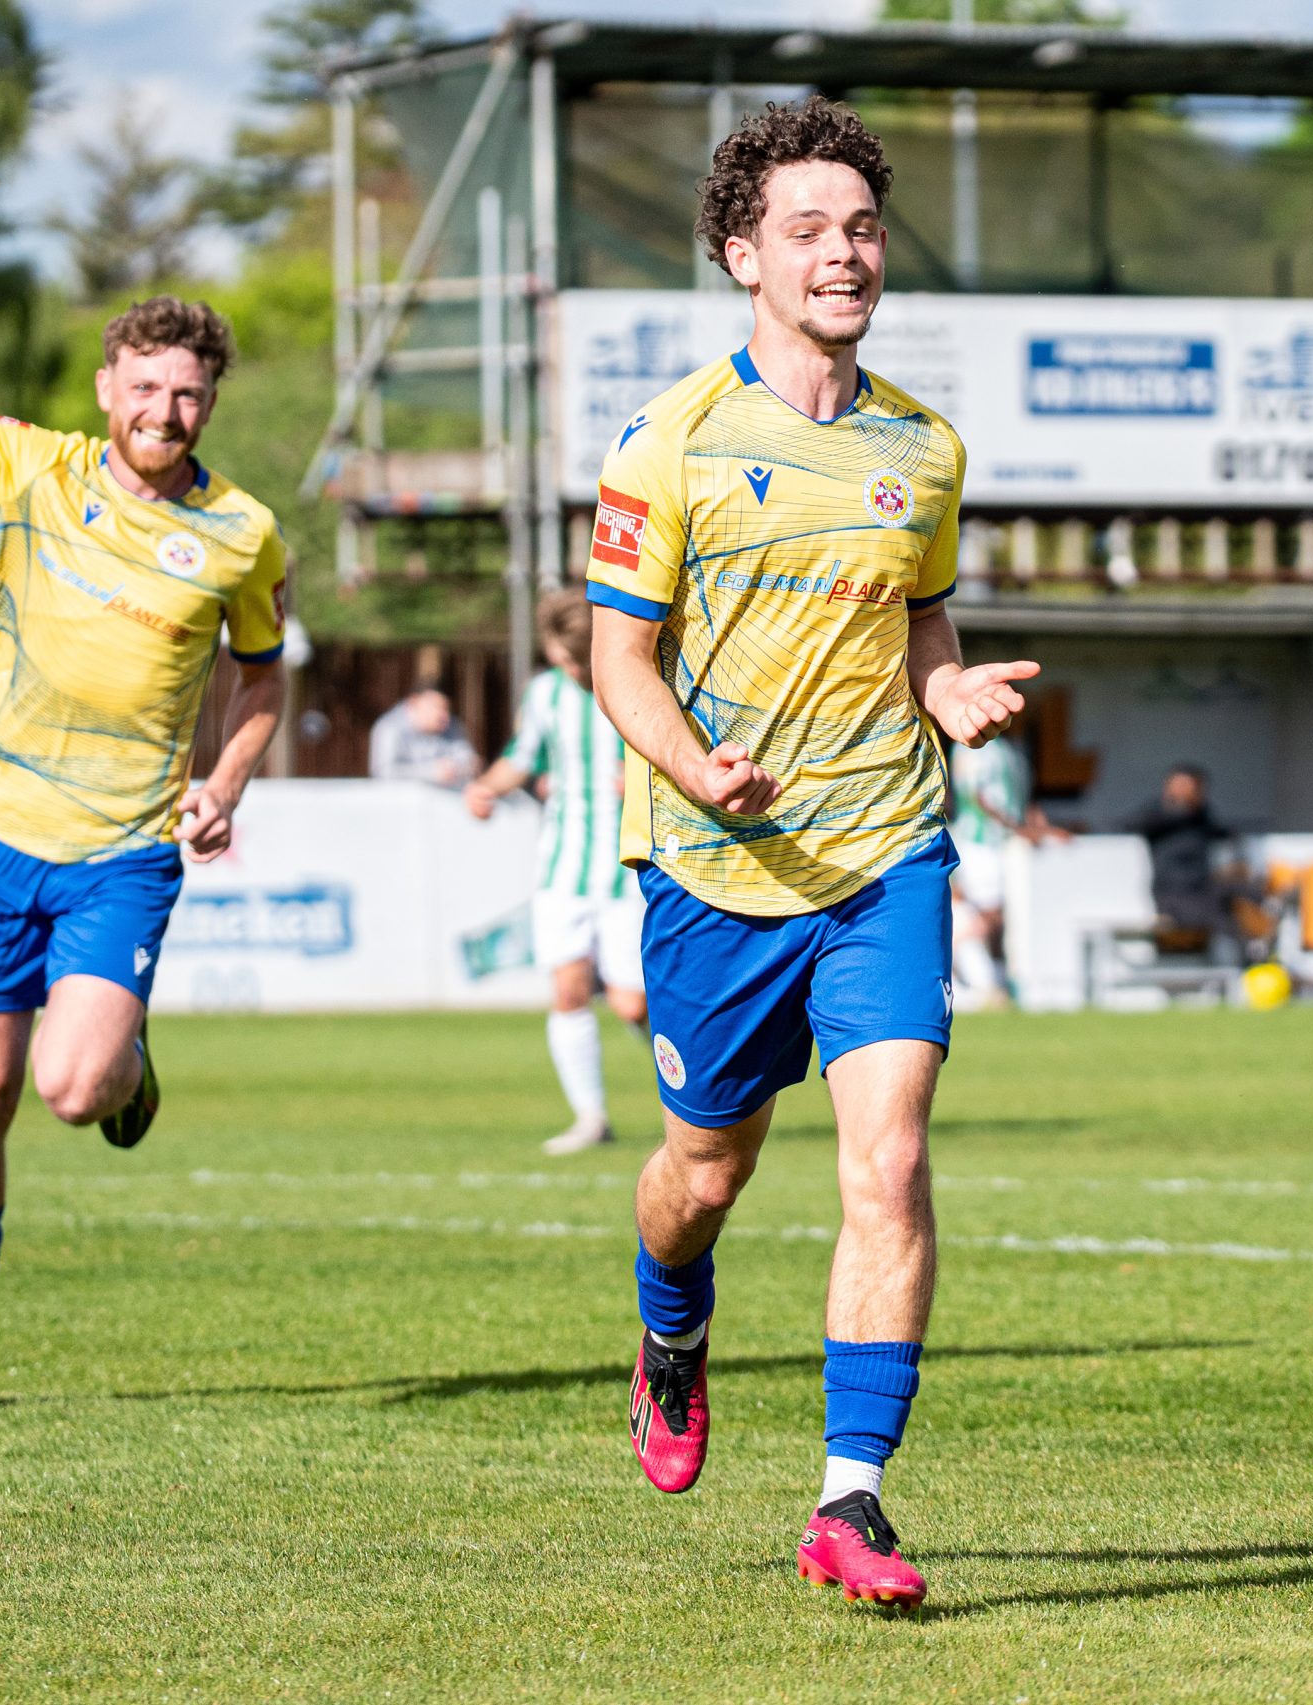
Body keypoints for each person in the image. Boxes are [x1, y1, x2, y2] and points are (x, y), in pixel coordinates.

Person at [584, 97, 1038, 1611]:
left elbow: (919, 613)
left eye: (860, 227)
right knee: (700, 1173)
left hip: (885, 851)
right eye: (808, 230)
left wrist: (945, 684)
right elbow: (618, 662)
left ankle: (851, 1497)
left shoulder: (926, 443)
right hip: (716, 870)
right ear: (740, 256)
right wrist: (692, 769)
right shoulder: (673, 441)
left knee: (891, 1162)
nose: (843, 253)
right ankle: (670, 1319)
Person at [0, 176, 287, 1410]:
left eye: (187, 390)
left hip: (121, 853)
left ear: (209, 401)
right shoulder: (36, 473)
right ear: (108, 392)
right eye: (143, 386)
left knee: (72, 1087)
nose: (164, 408)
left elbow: (262, 681)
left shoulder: (245, 535)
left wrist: (228, 776)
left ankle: (128, 1069)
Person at [464, 590, 648, 1155]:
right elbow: (523, 755)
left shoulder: (639, 682)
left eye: (570, 659)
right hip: (562, 869)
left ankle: (706, 1092)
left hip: (628, 867)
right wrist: (486, 787)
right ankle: (591, 1117)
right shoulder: (545, 693)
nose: (566, 669)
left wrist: (642, 778)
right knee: (568, 990)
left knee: (631, 1003)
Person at [1126, 764, 1263, 953]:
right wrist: (1179, 808)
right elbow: (1130, 825)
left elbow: (1220, 832)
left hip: (1203, 887)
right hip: (1173, 895)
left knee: (1244, 888)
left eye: (1191, 787)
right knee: (1220, 920)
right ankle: (1250, 954)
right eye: (1180, 785)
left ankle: (1271, 915)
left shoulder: (1202, 816)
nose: (1186, 792)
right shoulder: (1156, 814)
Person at [945, 729, 1035, 1009]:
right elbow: (975, 796)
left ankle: (994, 981)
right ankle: (983, 984)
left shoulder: (1009, 749)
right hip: (979, 844)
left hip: (1002, 844)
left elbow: (1013, 796)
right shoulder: (970, 745)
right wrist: (1018, 827)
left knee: (1000, 916)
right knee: (981, 914)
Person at [369, 685, 478, 787]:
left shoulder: (451, 726)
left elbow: (469, 761)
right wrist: (431, 772)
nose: (444, 716)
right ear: (414, 703)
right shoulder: (389, 727)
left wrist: (458, 769)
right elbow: (383, 773)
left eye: (447, 709)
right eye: (438, 707)